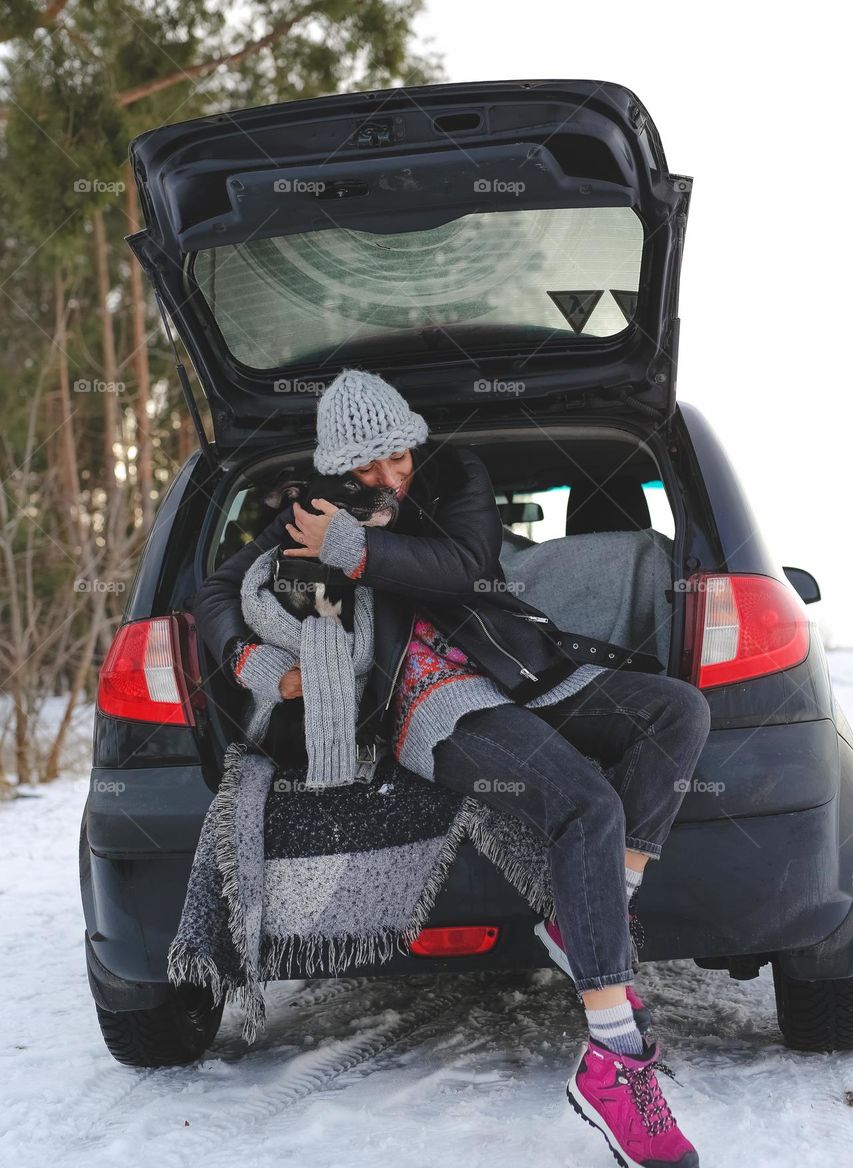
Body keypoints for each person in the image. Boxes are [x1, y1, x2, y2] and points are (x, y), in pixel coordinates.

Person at [193, 367, 710, 1168]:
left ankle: (593, 913)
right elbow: (219, 588)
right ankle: (613, 1057)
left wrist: (356, 550)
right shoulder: (315, 505)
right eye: (368, 466)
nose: (389, 474)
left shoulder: (452, 472)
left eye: (397, 455)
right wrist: (247, 657)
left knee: (679, 710)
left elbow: (470, 564)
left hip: (522, 670)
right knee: (586, 804)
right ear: (338, 463)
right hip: (426, 699)